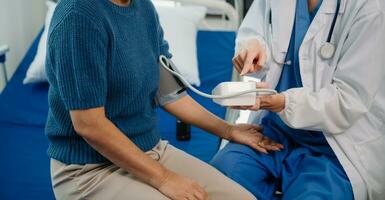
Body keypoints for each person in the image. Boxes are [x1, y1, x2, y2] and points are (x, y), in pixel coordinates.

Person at [45, 0, 284, 199]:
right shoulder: (79, 17)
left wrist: (229, 130)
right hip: (90, 170)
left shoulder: (143, 9)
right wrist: (164, 178)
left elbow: (170, 94)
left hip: (149, 150)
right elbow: (89, 124)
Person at [211, 0, 385, 199]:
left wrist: (283, 102)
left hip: (337, 146)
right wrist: (252, 47)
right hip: (275, 131)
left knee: (313, 195)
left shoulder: (372, 7)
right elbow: (254, 30)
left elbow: (349, 99)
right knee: (222, 176)